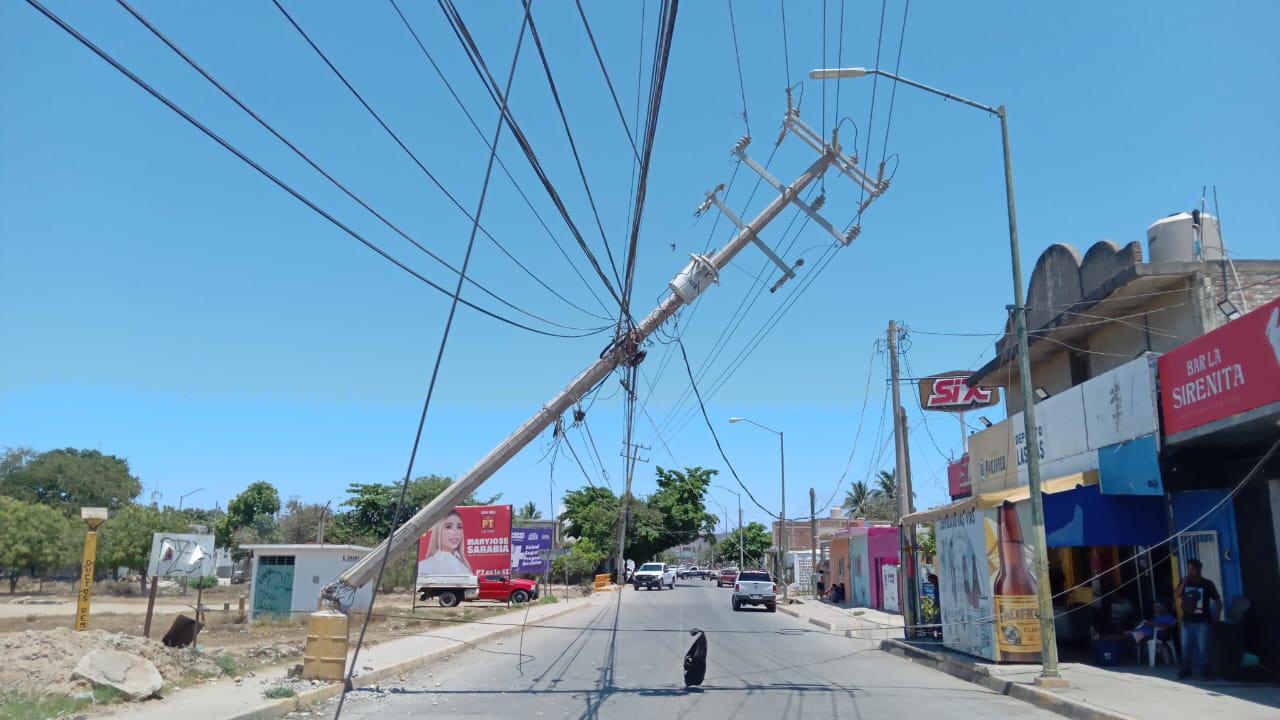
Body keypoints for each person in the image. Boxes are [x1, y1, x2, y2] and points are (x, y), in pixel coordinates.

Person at [1176, 559, 1221, 679]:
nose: (1190, 571)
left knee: (1203, 648)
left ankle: (1204, 672)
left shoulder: (1207, 584)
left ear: (1199, 569)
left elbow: (1217, 599)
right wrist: (1184, 584)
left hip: (1203, 621)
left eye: (1193, 569)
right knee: (1186, 647)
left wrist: (1217, 614)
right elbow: (1176, 596)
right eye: (1189, 568)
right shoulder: (1184, 582)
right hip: (1187, 621)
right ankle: (1186, 670)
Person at [418, 510, 473, 575]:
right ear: (438, 530)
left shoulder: (464, 566)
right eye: (448, 527)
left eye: (459, 527)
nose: (456, 532)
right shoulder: (424, 566)